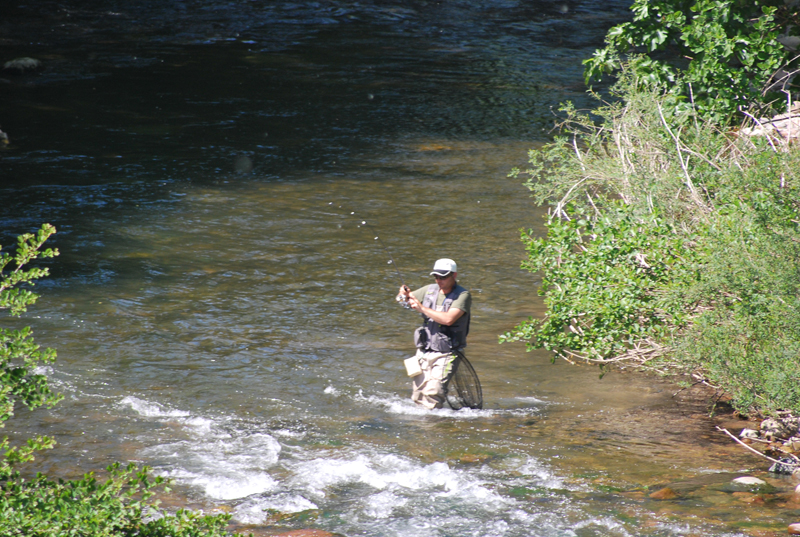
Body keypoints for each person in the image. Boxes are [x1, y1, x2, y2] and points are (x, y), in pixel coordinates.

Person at [397, 258, 471, 409]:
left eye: (443, 276)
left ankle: (433, 427)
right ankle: (421, 427)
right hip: (424, 351)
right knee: (418, 395)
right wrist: (402, 294)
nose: (439, 280)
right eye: (436, 276)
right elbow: (401, 300)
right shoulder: (429, 289)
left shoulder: (463, 295)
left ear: (454, 275)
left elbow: (448, 319)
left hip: (447, 352)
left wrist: (421, 308)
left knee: (433, 391)